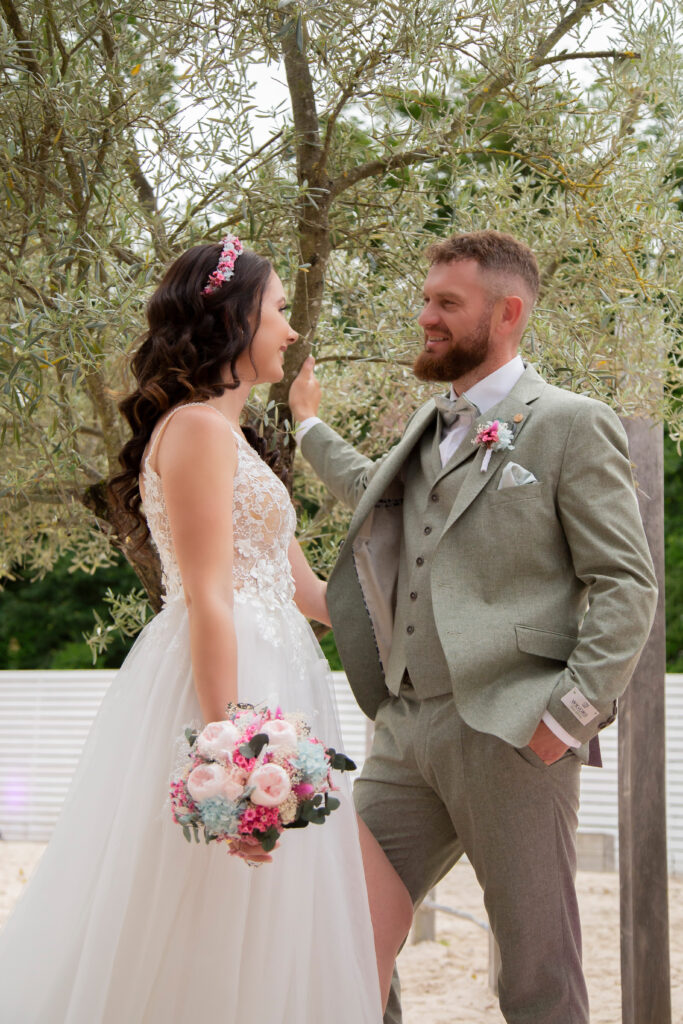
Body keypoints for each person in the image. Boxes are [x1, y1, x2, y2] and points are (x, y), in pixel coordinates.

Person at [0, 236, 412, 1023]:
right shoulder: (192, 429)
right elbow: (208, 595)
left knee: (343, 908)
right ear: (233, 318)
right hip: (228, 696)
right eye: (279, 311)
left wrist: (422, 620)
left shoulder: (235, 438)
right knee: (211, 919)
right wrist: (229, 750)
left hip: (278, 685)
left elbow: (307, 593)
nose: (290, 332)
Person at [289, 229, 658, 1024]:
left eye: (445, 303)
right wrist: (307, 431)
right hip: (404, 727)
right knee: (345, 931)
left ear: (508, 312)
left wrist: (565, 718)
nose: (425, 315)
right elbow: (373, 489)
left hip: (513, 731)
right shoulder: (435, 422)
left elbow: (625, 582)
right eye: (425, 299)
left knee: (535, 973)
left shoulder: (567, 422)